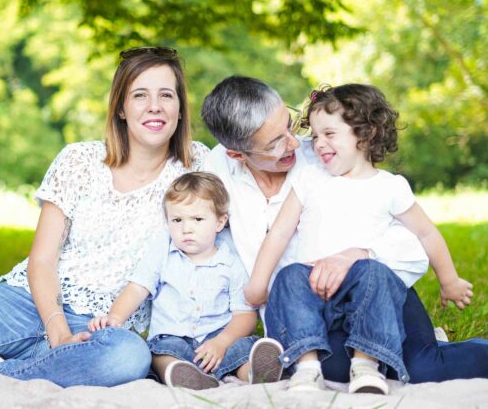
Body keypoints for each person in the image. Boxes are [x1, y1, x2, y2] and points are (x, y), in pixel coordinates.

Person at [201, 75, 488, 388]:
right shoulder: (221, 171)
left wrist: (361, 256)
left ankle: (407, 349)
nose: (301, 142)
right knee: (330, 369)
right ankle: (382, 351)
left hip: (374, 289)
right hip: (314, 311)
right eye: (275, 143)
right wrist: (257, 286)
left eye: (292, 124)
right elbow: (273, 235)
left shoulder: (338, 163)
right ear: (237, 154)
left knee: (423, 369)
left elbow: (420, 236)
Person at [0, 46, 209, 387]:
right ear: (121, 108)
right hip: (27, 303)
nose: (155, 106)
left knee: (129, 358)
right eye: (140, 95)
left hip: (102, 328)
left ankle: (2, 372)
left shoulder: (200, 167)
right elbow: (42, 259)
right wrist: (58, 334)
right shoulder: (79, 160)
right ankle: (52, 360)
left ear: (180, 109)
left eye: (167, 94)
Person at [88, 172, 284, 389]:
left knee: (244, 348)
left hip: (217, 343)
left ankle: (254, 374)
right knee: (159, 353)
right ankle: (181, 376)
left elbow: (245, 315)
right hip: (173, 338)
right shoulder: (163, 249)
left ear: (220, 222)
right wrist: (115, 316)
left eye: (197, 219)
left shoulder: (231, 260)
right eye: (177, 220)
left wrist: (221, 342)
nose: (186, 228)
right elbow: (137, 288)